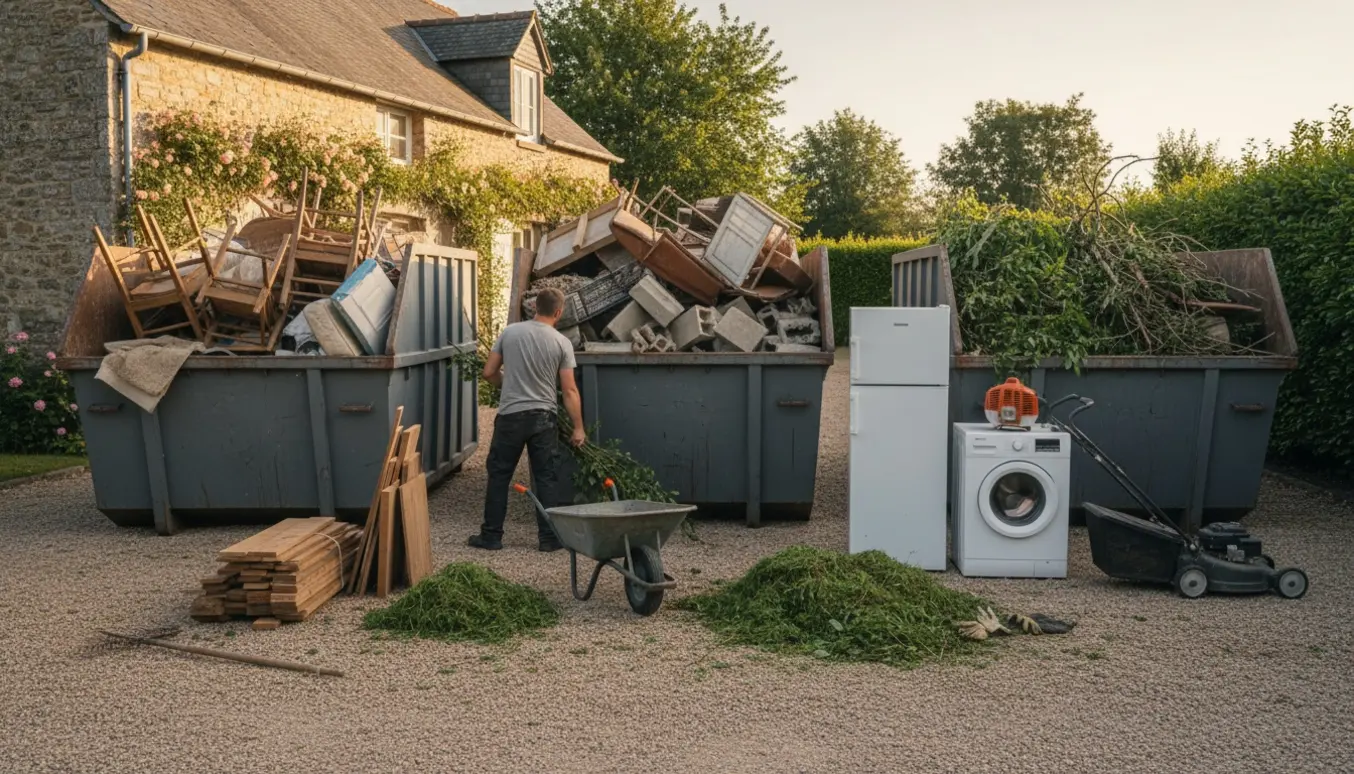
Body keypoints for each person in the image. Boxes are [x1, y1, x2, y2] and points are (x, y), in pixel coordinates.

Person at [469, 288, 586, 552]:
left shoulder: (510, 332)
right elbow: (569, 390)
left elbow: (488, 372)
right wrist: (578, 427)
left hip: (510, 416)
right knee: (545, 477)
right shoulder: (561, 342)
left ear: (535, 307)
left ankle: (491, 536)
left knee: (499, 476)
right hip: (543, 419)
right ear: (558, 312)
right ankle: (548, 538)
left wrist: (508, 385)